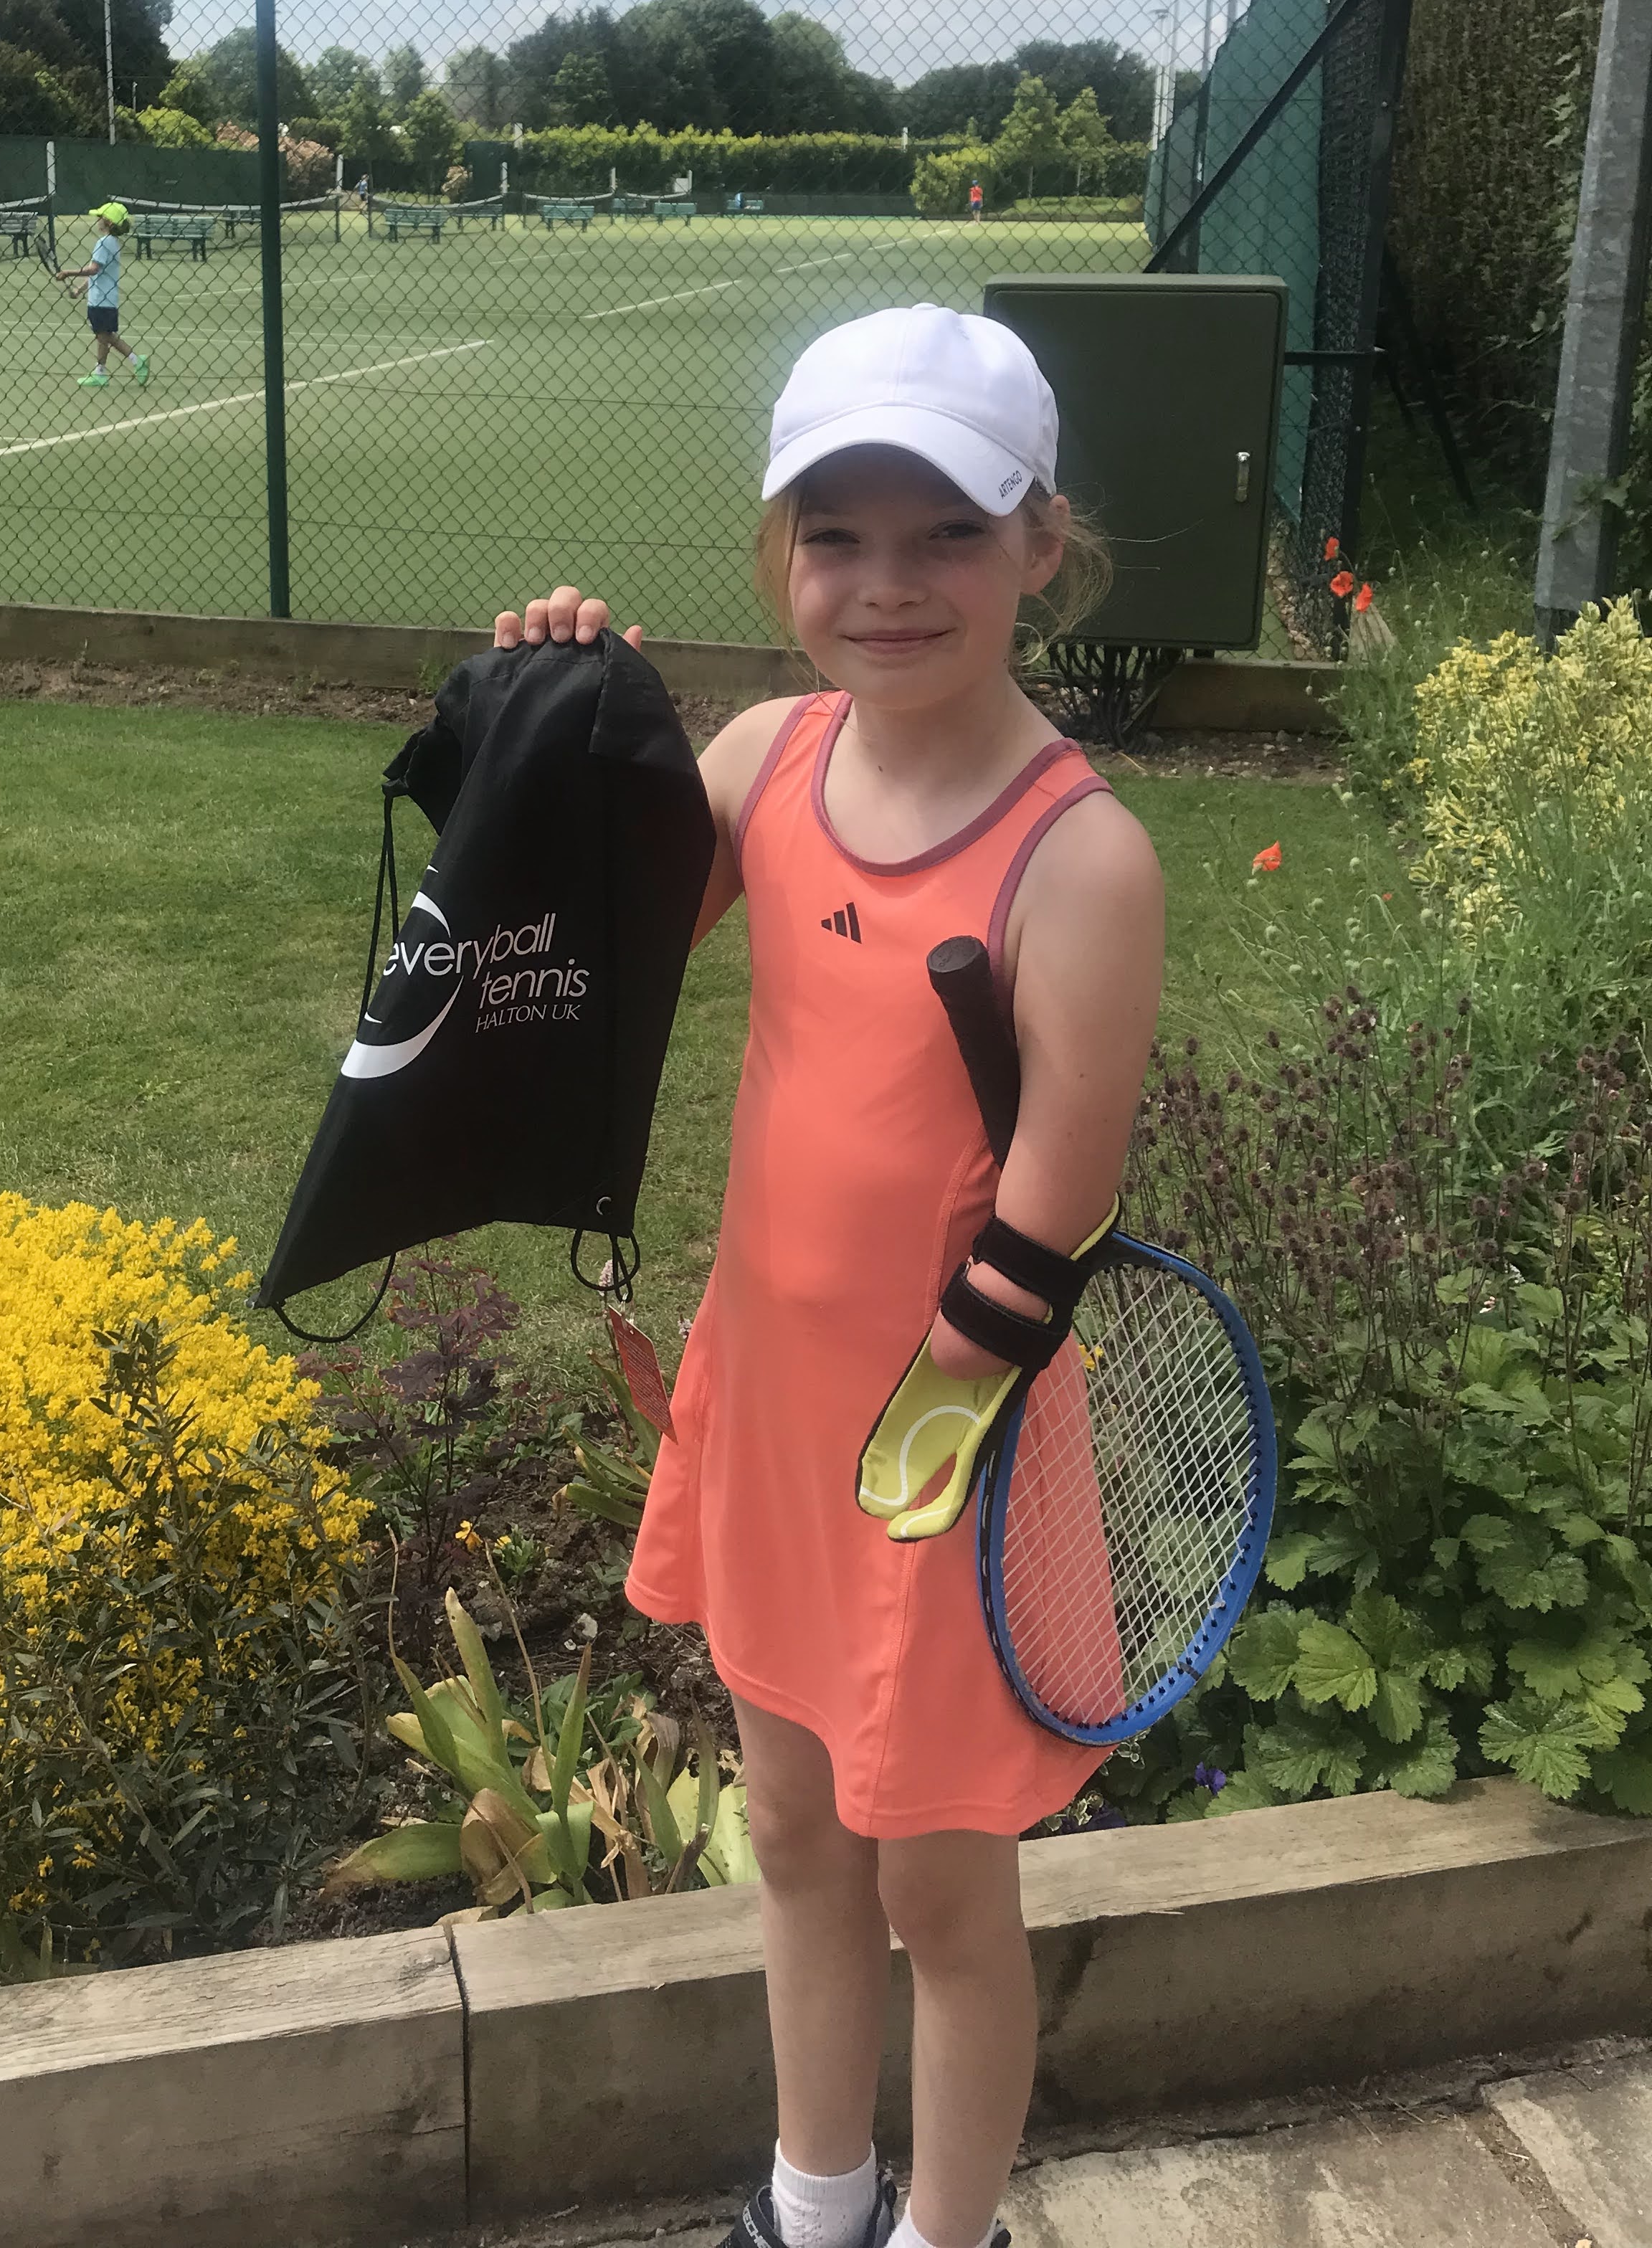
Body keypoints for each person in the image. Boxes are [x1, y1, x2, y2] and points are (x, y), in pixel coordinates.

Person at [490, 306, 1162, 2248]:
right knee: (792, 1832)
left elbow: (1054, 1210)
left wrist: (922, 1455)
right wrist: (563, 715)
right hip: (769, 1406)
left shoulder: (1079, 856)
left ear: (1042, 543)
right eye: (836, 533)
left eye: (946, 532)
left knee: (941, 1899)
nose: (886, 584)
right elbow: (586, 957)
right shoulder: (766, 759)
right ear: (783, 555)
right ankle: (814, 2202)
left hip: (946, 1447)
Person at [57, 201, 146, 386]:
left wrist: (68, 272)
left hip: (102, 301)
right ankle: (101, 373)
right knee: (103, 336)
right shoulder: (112, 242)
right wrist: (79, 290)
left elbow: (94, 269)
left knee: (105, 337)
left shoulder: (104, 242)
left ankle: (136, 361)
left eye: (100, 218)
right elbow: (97, 274)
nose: (97, 221)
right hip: (104, 299)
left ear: (108, 222)